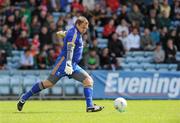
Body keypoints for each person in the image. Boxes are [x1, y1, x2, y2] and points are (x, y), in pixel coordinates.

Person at [17, 16, 104, 112]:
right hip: (63, 63)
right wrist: (68, 64)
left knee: (88, 80)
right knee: (48, 83)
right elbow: (70, 49)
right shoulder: (74, 34)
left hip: (73, 64)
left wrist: (64, 34)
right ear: (77, 24)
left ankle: (90, 106)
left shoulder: (75, 32)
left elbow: (69, 36)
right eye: (83, 27)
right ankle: (24, 97)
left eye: (86, 28)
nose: (84, 30)